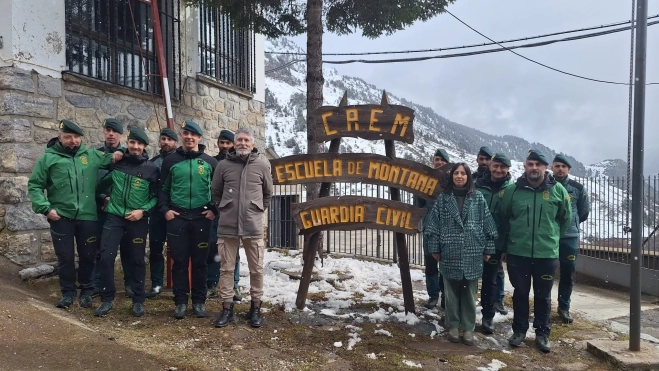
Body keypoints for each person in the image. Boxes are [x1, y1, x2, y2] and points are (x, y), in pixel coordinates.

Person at [27, 120, 117, 309]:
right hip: (61, 217)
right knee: (65, 257)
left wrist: (124, 153)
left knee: (88, 256)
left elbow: (116, 159)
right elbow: (35, 185)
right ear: (60, 137)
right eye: (68, 137)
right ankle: (68, 293)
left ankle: (87, 291)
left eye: (76, 137)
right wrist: (45, 208)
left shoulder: (92, 155)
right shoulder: (48, 159)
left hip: (87, 217)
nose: (73, 141)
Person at [497, 149, 571, 353]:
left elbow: (565, 219)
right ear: (525, 166)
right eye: (530, 164)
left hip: (546, 254)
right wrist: (507, 245)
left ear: (546, 168)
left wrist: (551, 238)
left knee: (543, 295)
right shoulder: (512, 191)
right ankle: (519, 331)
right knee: (520, 293)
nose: (534, 168)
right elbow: (504, 218)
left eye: (538, 164)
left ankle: (542, 333)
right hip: (517, 253)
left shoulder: (558, 191)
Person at [425, 163, 498, 346]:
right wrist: (434, 248)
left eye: (463, 173)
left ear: (468, 177)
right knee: (451, 293)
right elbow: (433, 226)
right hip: (450, 252)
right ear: (451, 177)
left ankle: (468, 328)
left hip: (473, 252)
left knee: (469, 293)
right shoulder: (443, 199)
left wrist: (488, 249)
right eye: (456, 173)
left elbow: (488, 226)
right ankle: (453, 326)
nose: (459, 176)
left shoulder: (478, 198)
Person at [94, 128, 159, 317]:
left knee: (137, 260)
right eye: (132, 143)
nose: (136, 147)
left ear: (145, 146)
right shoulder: (118, 164)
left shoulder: (151, 168)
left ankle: (138, 300)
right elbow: (99, 186)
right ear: (127, 143)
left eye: (139, 144)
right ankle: (107, 299)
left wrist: (143, 211)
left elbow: (156, 197)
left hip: (137, 220)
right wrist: (103, 198)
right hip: (114, 218)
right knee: (106, 257)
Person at [211, 128, 273, 328]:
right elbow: (215, 192)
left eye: (247, 140)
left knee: (256, 270)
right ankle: (227, 309)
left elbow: (268, 194)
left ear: (252, 144)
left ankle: (255, 308)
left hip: (253, 227)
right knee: (226, 269)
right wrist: (225, 207)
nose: (243, 143)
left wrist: (256, 210)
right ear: (234, 143)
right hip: (227, 225)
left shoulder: (263, 165)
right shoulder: (223, 165)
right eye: (239, 140)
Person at [158, 120, 218, 319]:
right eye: (186, 133)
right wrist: (165, 210)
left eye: (194, 135)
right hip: (178, 218)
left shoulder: (210, 162)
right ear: (181, 136)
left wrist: (214, 211)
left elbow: (218, 191)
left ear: (200, 138)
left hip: (202, 218)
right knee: (180, 261)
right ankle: (181, 301)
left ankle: (199, 301)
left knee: (201, 262)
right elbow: (162, 189)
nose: (190, 137)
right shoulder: (170, 161)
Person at [92, 118, 133, 298]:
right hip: (101, 208)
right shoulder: (95, 155)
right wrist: (103, 198)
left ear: (120, 135)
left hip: (123, 211)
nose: (111, 134)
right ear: (104, 132)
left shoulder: (127, 156)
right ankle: (98, 284)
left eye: (115, 131)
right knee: (101, 248)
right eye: (108, 130)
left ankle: (130, 284)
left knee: (128, 249)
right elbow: (91, 183)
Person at [475, 153, 513, 334]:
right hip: (473, 242)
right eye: (495, 166)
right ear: (490, 166)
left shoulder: (512, 190)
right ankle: (462, 313)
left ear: (508, 169)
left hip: (496, 244)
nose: (498, 170)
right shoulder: (476, 186)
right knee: (467, 279)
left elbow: (511, 220)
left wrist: (506, 247)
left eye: (502, 167)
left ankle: (488, 316)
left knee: (490, 282)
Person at [552, 154, 589, 324]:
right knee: (545, 273)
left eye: (563, 166)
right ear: (552, 168)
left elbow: (583, 213)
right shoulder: (546, 185)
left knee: (567, 274)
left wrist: (569, 225)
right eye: (557, 166)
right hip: (549, 236)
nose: (560, 169)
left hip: (569, 238)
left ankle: (564, 307)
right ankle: (544, 306)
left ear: (569, 169)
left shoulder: (578, 188)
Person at [207, 129, 242, 302]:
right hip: (216, 213)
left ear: (234, 144)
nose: (225, 146)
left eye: (228, 143)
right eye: (222, 143)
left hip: (233, 214)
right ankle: (211, 284)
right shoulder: (212, 162)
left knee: (233, 252)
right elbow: (210, 189)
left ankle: (234, 286)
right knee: (214, 249)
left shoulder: (240, 163)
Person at [145, 128, 179, 298]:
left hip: (176, 213)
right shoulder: (153, 163)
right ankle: (157, 283)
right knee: (156, 249)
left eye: (169, 139)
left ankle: (179, 284)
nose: (166, 142)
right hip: (157, 212)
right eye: (163, 139)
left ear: (176, 143)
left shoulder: (180, 162)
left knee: (179, 250)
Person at [418, 148, 450, 310]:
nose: (439, 163)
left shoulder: (451, 183)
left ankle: (446, 296)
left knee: (445, 267)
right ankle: (432, 296)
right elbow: (418, 206)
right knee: (430, 267)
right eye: (437, 159)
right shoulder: (424, 182)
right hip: (430, 232)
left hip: (447, 233)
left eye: (442, 161)